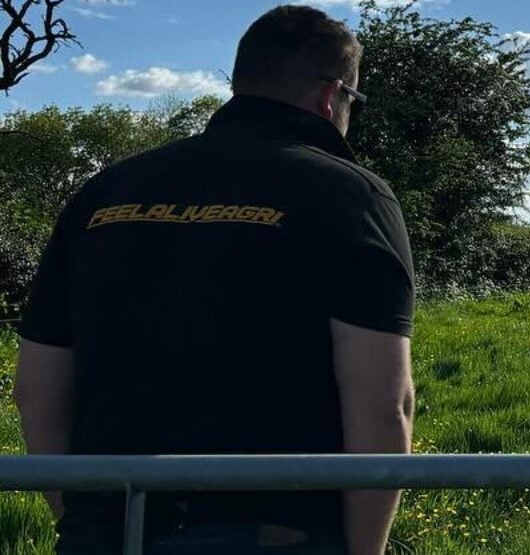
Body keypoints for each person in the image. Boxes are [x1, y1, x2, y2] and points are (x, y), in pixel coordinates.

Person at [12, 5, 414, 554]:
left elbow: (34, 390)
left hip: (106, 526)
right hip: (274, 531)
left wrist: (84, 517)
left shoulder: (104, 192)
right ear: (331, 96)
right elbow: (383, 405)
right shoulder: (350, 195)